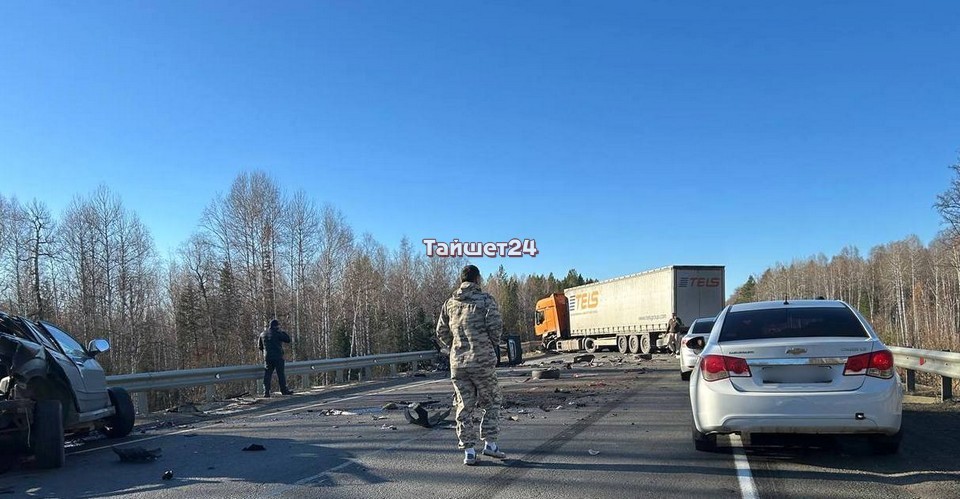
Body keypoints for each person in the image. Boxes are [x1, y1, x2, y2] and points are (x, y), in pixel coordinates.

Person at [436, 264, 506, 466]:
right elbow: (495, 327)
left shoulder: (450, 303)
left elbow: (441, 331)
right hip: (482, 360)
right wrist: (490, 345)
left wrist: (455, 346)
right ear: (477, 279)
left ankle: (469, 451)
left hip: (458, 363)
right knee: (492, 401)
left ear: (461, 279)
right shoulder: (485, 300)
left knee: (463, 406)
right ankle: (490, 444)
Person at [258, 319, 293, 397]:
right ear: (276, 326)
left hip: (267, 357)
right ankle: (284, 390)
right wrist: (282, 332)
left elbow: (260, 346)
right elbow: (288, 339)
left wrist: (265, 352)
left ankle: (266, 392)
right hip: (278, 357)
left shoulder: (263, 334)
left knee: (267, 374)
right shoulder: (278, 333)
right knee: (280, 374)